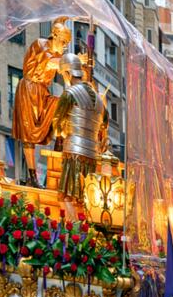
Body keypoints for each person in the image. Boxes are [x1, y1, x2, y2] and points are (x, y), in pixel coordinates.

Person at [12, 19, 72, 187]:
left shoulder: (60, 56)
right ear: (55, 36)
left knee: (61, 104)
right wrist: (72, 61)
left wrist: (72, 87)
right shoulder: (40, 44)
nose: (65, 45)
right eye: (64, 42)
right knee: (28, 134)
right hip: (29, 90)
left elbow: (66, 76)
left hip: (43, 92)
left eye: (67, 43)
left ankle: (59, 141)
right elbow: (49, 61)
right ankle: (32, 177)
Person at [53, 52, 109, 203]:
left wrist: (64, 131)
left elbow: (57, 124)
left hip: (73, 152)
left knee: (68, 196)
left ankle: (73, 226)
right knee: (87, 198)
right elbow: (105, 123)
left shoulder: (69, 93)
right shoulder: (98, 98)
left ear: (67, 73)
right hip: (92, 155)